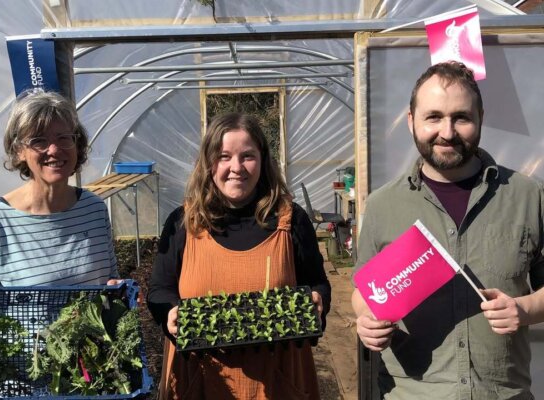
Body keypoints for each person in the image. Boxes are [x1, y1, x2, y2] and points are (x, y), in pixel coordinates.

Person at [352, 60, 544, 400]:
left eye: (461, 117)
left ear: (481, 118)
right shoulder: (383, 206)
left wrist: (525, 309)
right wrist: (365, 318)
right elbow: (363, 290)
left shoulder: (528, 196)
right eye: (434, 117)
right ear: (411, 120)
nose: (447, 132)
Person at [0, 91, 119, 400]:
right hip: (25, 380)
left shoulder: (93, 208)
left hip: (90, 372)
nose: (54, 150)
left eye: (64, 138)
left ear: (77, 144)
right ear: (18, 151)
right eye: (38, 140)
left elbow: (106, 280)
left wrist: (117, 293)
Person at [147, 112, 331, 399]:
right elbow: (159, 289)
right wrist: (170, 312)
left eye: (247, 156)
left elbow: (318, 283)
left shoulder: (290, 221)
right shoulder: (184, 222)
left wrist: (319, 301)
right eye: (224, 156)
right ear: (209, 163)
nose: (237, 168)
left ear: (263, 160)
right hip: (200, 381)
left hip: (278, 382)